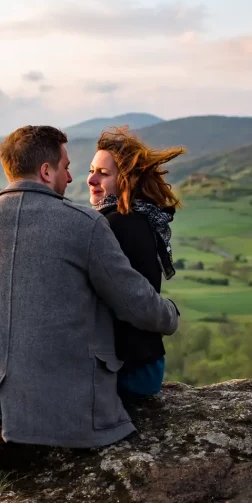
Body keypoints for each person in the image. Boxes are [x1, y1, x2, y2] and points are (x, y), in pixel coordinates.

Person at [0, 125, 179, 503]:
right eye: (67, 167)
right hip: (70, 402)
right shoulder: (86, 224)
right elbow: (136, 302)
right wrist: (170, 315)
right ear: (45, 171)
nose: (74, 177)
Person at [87, 128, 184, 403]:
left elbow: (133, 303)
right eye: (92, 170)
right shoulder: (139, 217)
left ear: (125, 180)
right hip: (144, 364)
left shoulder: (116, 224)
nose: (91, 179)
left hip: (129, 370)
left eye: (103, 174)